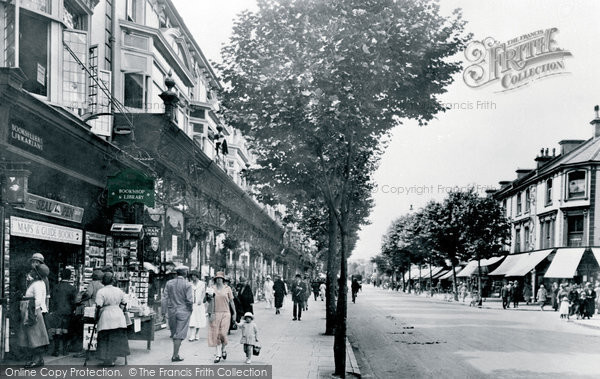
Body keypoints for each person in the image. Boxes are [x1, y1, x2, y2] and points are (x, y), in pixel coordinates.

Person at [95, 272, 130, 366]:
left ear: (103, 281)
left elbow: (98, 305)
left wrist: (96, 317)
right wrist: (121, 310)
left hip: (106, 315)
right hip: (118, 314)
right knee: (116, 337)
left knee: (106, 337)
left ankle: (107, 359)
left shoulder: (101, 291)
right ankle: (114, 358)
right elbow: (124, 302)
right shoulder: (119, 290)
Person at [18, 264, 50, 368]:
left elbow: (38, 300)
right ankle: (38, 359)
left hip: (33, 312)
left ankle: (35, 360)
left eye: (33, 271)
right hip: (33, 311)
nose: (31, 272)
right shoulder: (39, 283)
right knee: (35, 337)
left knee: (34, 337)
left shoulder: (37, 284)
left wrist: (32, 314)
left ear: (37, 274)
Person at [162, 266, 193, 362]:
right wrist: (190, 310)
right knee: (179, 334)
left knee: (174, 333)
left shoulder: (169, 283)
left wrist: (163, 312)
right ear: (185, 273)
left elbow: (164, 298)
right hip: (183, 311)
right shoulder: (187, 285)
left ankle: (176, 354)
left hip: (172, 311)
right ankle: (175, 355)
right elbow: (189, 300)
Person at [206, 271, 236, 363]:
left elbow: (231, 301)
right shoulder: (212, 288)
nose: (219, 280)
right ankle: (218, 354)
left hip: (226, 313)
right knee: (216, 335)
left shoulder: (228, 288)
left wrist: (234, 313)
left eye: (220, 278)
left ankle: (223, 349)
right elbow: (206, 300)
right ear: (215, 280)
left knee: (223, 333)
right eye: (217, 278)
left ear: (223, 280)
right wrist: (208, 297)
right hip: (215, 313)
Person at [48, 268, 77, 356]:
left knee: (57, 330)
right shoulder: (72, 288)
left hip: (57, 311)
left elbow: (52, 299)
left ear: (61, 276)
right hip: (68, 311)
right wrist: (73, 310)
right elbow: (73, 302)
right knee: (65, 330)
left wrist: (52, 310)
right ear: (69, 277)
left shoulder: (56, 287)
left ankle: (56, 350)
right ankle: (64, 350)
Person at [188, 271, 206, 341]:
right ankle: (192, 334)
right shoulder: (190, 284)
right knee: (192, 319)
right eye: (192, 276)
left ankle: (197, 333)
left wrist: (201, 300)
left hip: (199, 305)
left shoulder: (202, 284)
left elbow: (203, 293)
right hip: (191, 304)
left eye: (194, 275)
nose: (193, 277)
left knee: (198, 319)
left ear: (197, 276)